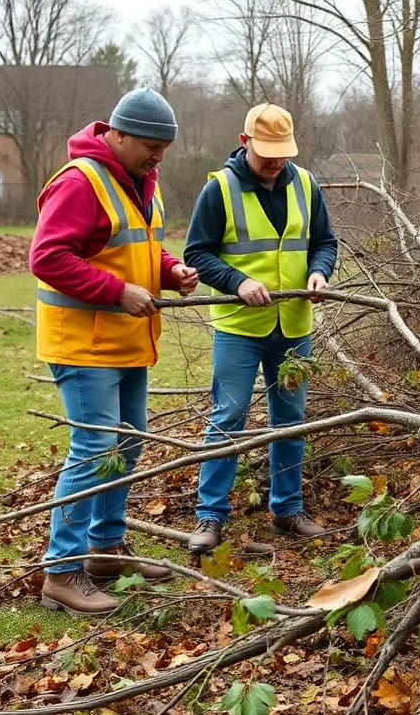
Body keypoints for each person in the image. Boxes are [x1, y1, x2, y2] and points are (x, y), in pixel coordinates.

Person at [30, 87, 199, 616]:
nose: (159, 155)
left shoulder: (142, 180)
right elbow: (47, 257)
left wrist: (169, 270)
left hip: (127, 342)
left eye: (164, 147)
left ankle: (105, 550)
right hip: (85, 344)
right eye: (151, 145)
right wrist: (116, 291)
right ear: (117, 134)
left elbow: (141, 246)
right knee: (95, 451)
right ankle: (61, 571)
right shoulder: (81, 182)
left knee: (125, 449)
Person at [183, 103, 338, 553]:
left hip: (293, 325)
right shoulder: (220, 189)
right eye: (266, 151)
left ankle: (287, 510)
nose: (274, 162)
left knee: (290, 420)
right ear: (244, 140)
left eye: (281, 153)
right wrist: (238, 281)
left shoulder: (306, 184)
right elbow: (196, 254)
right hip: (239, 328)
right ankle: (210, 518)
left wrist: (320, 272)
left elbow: (325, 242)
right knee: (228, 419)